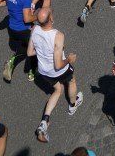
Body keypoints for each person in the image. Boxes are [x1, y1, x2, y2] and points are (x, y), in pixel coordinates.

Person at [28, 8, 83, 143]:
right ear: (51, 19)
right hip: (59, 71)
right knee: (71, 81)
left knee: (58, 90)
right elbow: (58, 65)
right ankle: (73, 104)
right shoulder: (58, 35)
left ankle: (44, 121)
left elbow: (29, 52)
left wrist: (43, 51)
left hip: (43, 71)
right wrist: (69, 59)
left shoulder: (34, 29)